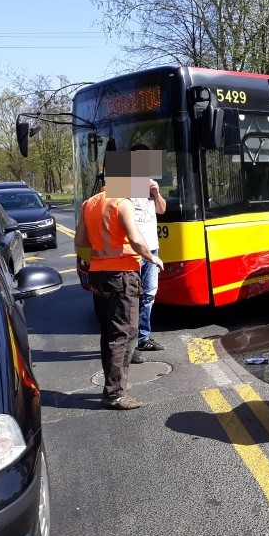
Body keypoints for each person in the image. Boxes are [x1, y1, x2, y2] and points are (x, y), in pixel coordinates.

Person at [74, 154, 164, 410]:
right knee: (124, 334)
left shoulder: (89, 203)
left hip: (99, 276)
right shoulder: (122, 203)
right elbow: (135, 240)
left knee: (109, 334)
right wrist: (152, 258)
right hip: (122, 276)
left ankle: (114, 384)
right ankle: (115, 393)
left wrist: (100, 253)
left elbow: (80, 242)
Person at [130, 144, 167, 364]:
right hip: (132, 251)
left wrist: (156, 192)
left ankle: (143, 338)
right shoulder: (121, 185)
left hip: (152, 248)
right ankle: (130, 345)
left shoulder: (152, 184)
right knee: (131, 298)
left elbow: (161, 209)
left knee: (149, 296)